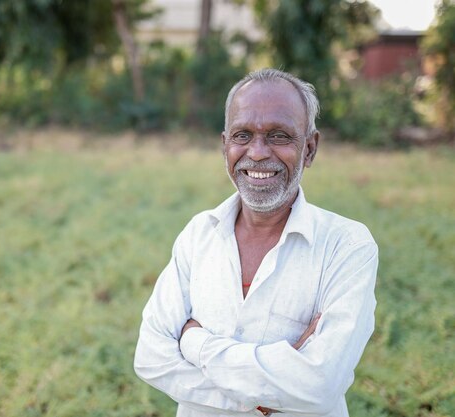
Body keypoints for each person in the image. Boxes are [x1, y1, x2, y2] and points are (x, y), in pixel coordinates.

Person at [133, 68, 378, 417]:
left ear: (309, 149)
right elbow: (151, 358)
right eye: (242, 135)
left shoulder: (347, 245)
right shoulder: (198, 234)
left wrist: (195, 344)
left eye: (279, 136)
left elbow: (320, 385)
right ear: (224, 146)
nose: (258, 152)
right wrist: (263, 395)